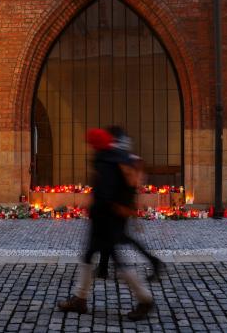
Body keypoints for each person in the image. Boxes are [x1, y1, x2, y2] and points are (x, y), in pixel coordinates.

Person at [58, 127, 154, 321]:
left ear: (95, 144)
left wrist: (94, 206)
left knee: (117, 261)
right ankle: (80, 298)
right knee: (88, 255)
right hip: (111, 219)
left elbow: (106, 193)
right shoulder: (118, 155)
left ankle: (145, 299)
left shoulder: (105, 160)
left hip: (106, 219)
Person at [95, 127, 164, 282]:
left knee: (118, 237)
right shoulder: (126, 158)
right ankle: (103, 268)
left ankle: (153, 262)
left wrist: (123, 205)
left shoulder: (123, 159)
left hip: (119, 206)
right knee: (111, 236)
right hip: (119, 205)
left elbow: (130, 183)